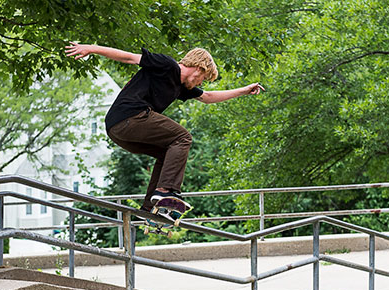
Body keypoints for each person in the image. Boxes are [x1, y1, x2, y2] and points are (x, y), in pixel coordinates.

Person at [65, 43, 265, 219]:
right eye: (202, 78)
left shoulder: (181, 87)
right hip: (130, 116)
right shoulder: (166, 65)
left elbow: (208, 96)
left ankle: (150, 207)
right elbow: (129, 57)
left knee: (167, 153)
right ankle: (166, 192)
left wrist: (243, 90)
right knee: (182, 137)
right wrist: (91, 49)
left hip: (119, 130)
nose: (200, 83)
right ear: (198, 67)